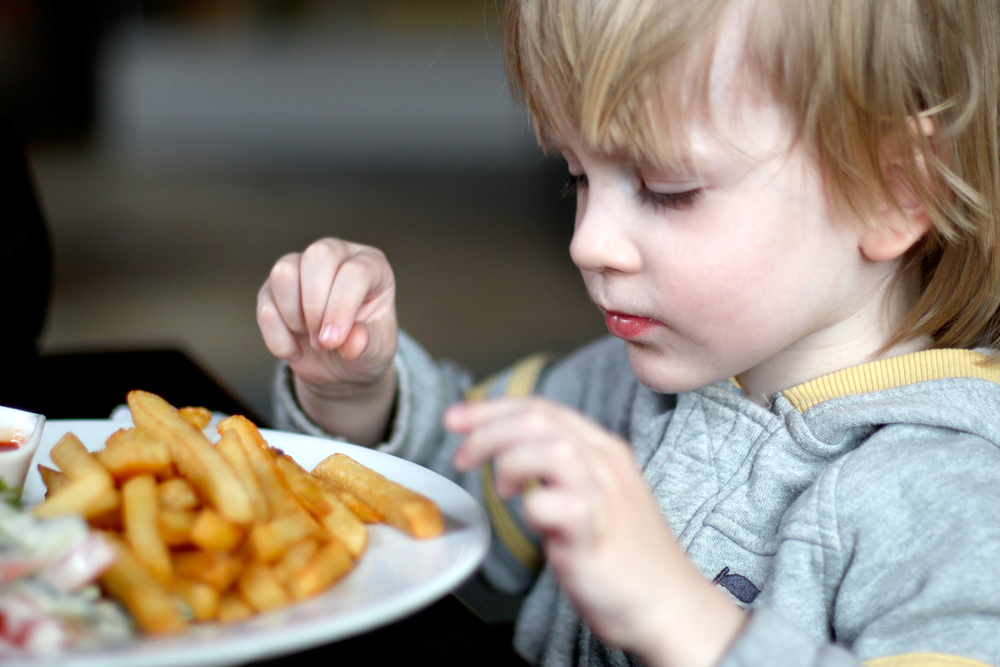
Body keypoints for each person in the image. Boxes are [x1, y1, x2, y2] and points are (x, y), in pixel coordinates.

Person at [256, 0, 1000, 664]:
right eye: (578, 175)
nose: (589, 241)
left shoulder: (957, 500)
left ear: (892, 191)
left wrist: (687, 620)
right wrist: (360, 391)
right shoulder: (612, 390)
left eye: (666, 189)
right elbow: (432, 501)